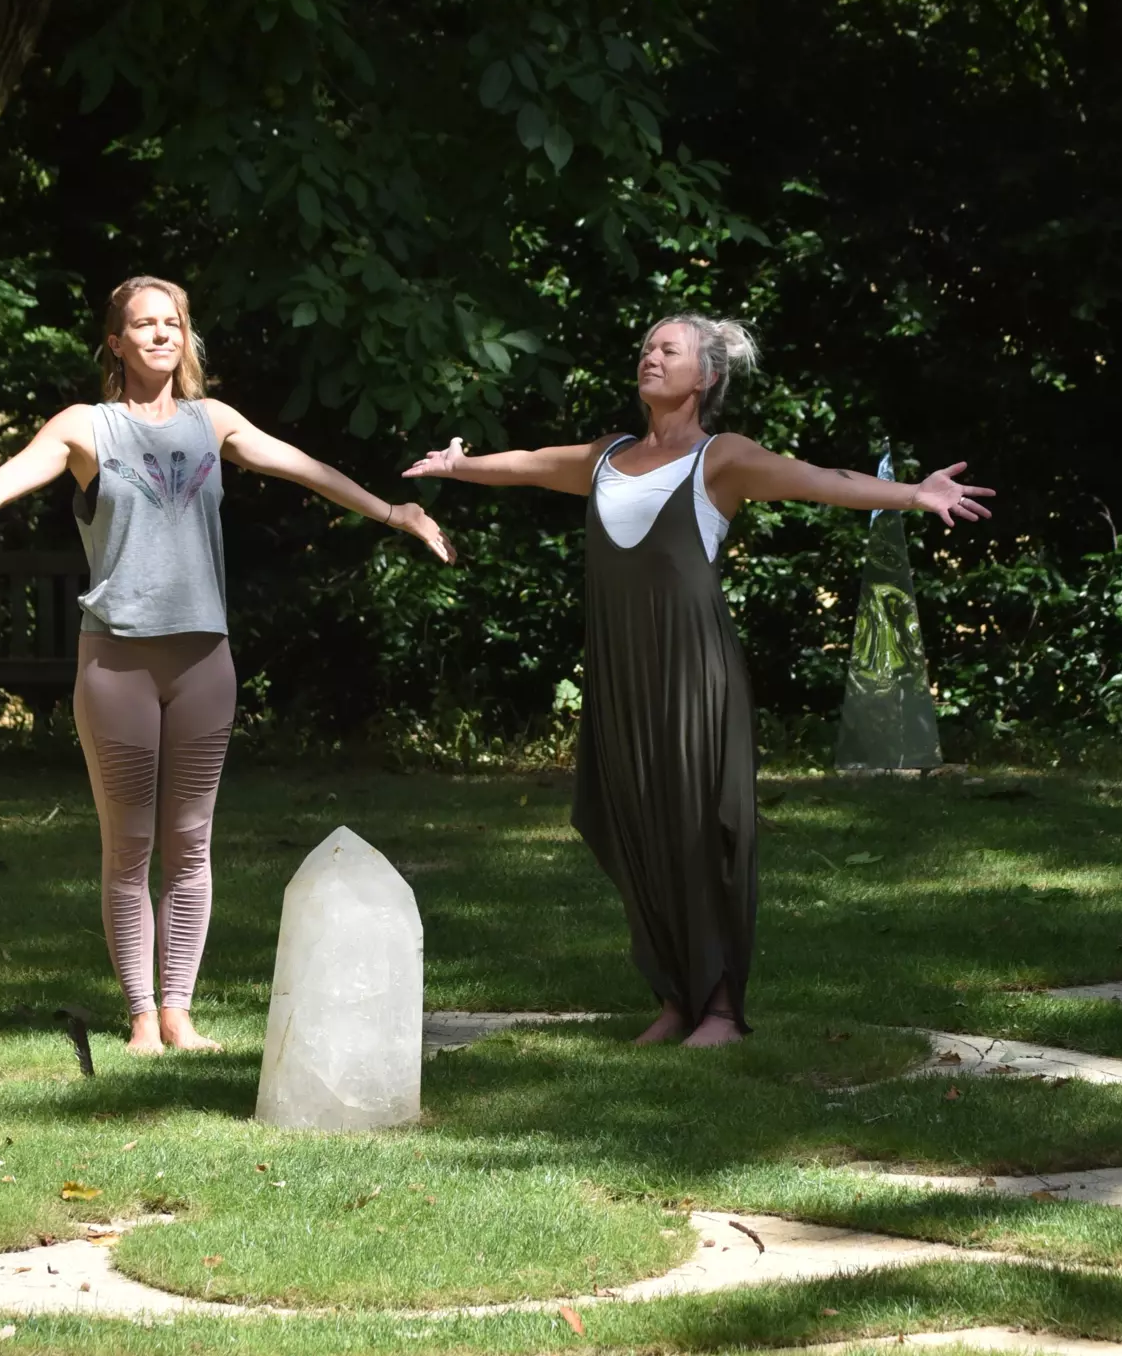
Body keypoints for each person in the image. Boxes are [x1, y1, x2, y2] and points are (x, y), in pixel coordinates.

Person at [0, 275, 453, 1056]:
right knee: (128, 849)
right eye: (144, 324)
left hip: (204, 663)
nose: (161, 334)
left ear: (185, 338)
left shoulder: (212, 421)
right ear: (116, 341)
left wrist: (394, 512)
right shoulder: (85, 429)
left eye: (173, 323)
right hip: (116, 665)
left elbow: (303, 466)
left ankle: (179, 1016)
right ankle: (140, 1017)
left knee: (190, 846)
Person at [405, 311, 992, 1048]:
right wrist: (459, 466)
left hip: (692, 671)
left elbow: (820, 481)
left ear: (705, 376)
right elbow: (530, 462)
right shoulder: (606, 456)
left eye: (668, 349)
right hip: (621, 671)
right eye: (646, 346)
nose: (650, 356)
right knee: (634, 820)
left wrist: (913, 494)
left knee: (697, 827)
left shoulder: (722, 458)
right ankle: (674, 999)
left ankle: (719, 1009)